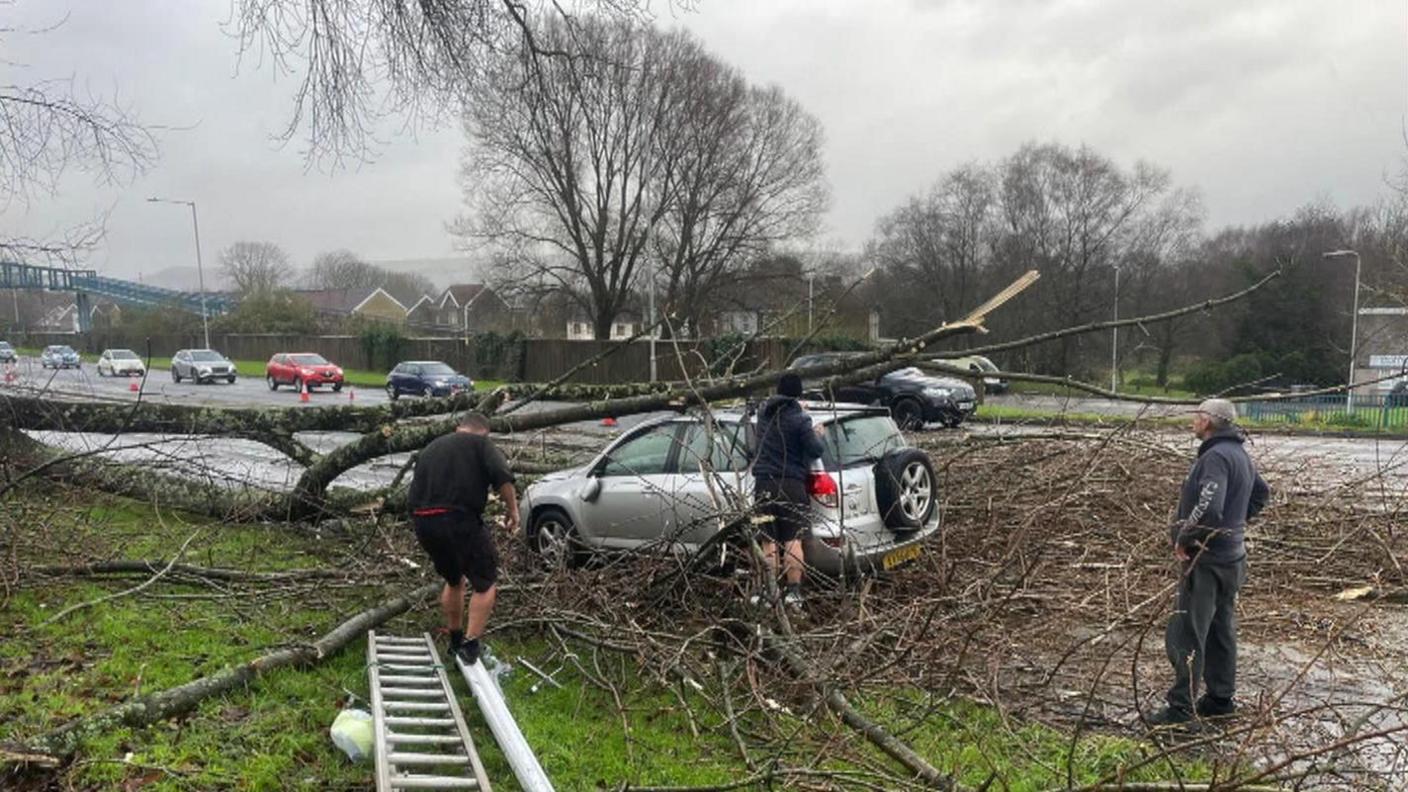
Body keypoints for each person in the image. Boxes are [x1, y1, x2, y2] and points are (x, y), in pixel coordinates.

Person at [1149, 398, 1270, 726]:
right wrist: (1236, 525)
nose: (1194, 420)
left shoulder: (1215, 457)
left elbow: (1210, 506)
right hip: (1233, 559)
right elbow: (1262, 493)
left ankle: (1180, 708)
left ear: (1209, 422)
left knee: (1187, 633)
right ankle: (1220, 699)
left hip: (1207, 561)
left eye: (1198, 415)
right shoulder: (1239, 454)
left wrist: (1185, 537)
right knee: (1221, 630)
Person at [408, 411, 519, 665]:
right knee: (486, 581)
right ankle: (470, 646)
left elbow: (413, 493)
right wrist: (512, 510)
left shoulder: (431, 447)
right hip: (459, 519)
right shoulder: (481, 444)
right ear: (483, 432)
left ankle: (455, 639)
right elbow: (502, 475)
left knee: (454, 578)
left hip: (424, 521)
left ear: (460, 428)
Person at [750, 372, 826, 608]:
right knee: (793, 540)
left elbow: (777, 407)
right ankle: (793, 594)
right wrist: (816, 432)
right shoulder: (800, 419)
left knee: (768, 540)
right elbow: (815, 451)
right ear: (799, 394)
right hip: (791, 486)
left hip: (764, 486)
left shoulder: (763, 413)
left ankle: (768, 593)